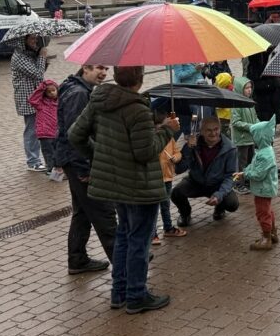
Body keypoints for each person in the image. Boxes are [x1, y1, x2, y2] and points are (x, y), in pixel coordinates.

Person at [68, 65, 179, 313]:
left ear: (117, 77)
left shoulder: (99, 100)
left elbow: (75, 135)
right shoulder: (137, 110)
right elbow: (145, 152)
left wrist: (98, 157)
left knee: (123, 237)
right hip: (140, 186)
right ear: (139, 79)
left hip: (116, 184)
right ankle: (137, 295)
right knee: (139, 242)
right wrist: (167, 132)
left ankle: (119, 293)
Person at [55, 64, 114, 274]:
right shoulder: (79, 94)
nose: (104, 73)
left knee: (82, 212)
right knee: (104, 213)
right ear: (85, 68)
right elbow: (75, 135)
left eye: (106, 69)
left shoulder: (77, 89)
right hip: (80, 163)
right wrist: (84, 170)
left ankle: (77, 259)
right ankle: (127, 270)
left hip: (73, 162)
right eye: (99, 68)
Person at [171, 116, 240, 226]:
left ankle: (219, 208)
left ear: (220, 128)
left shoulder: (230, 148)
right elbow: (179, 169)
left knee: (232, 204)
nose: (213, 133)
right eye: (208, 130)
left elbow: (232, 176)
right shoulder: (193, 144)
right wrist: (188, 147)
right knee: (175, 193)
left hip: (217, 184)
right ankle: (185, 213)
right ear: (201, 131)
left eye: (216, 129)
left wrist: (220, 194)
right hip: (195, 182)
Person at [239, 118, 280, 250]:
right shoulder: (265, 150)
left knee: (262, 212)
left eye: (255, 135)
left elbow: (258, 174)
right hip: (265, 188)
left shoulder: (264, 155)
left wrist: (246, 174)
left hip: (263, 189)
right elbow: (254, 165)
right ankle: (272, 232)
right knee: (268, 210)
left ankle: (266, 237)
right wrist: (245, 171)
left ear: (260, 136)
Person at [11, 34, 49, 172]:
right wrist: (42, 56)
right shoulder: (20, 57)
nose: (35, 41)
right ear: (23, 41)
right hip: (27, 98)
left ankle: (38, 159)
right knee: (32, 129)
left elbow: (40, 71)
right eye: (31, 39)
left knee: (38, 128)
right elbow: (38, 74)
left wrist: (41, 56)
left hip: (36, 96)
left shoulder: (28, 54)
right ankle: (33, 161)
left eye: (35, 38)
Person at [154, 112, 187, 244]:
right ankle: (152, 234)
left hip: (167, 177)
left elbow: (177, 152)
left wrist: (176, 158)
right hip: (155, 179)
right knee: (154, 208)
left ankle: (168, 227)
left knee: (165, 205)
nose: (158, 128)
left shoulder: (170, 139)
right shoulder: (153, 139)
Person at [230, 76, 258, 192]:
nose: (249, 90)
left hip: (250, 138)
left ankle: (247, 181)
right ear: (239, 89)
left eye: (250, 87)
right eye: (246, 88)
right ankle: (237, 183)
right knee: (240, 163)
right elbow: (236, 122)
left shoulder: (249, 102)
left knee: (250, 161)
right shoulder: (236, 104)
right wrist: (250, 126)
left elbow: (254, 117)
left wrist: (259, 124)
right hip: (241, 139)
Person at [28, 79, 61, 178]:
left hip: (56, 132)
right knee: (49, 153)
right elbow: (32, 99)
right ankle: (51, 170)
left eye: (53, 90)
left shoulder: (60, 102)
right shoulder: (41, 104)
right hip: (45, 133)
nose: (51, 93)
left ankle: (58, 171)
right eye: (49, 92)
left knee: (58, 152)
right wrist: (41, 87)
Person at [248, 48, 280, 124]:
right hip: (264, 104)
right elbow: (254, 84)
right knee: (266, 130)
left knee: (272, 129)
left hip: (276, 102)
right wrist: (272, 83)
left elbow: (279, 77)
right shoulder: (256, 60)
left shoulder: (275, 55)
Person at [214, 72, 234, 136]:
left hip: (222, 116)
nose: (215, 82)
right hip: (227, 115)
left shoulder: (221, 93)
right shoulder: (230, 89)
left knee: (223, 131)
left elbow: (218, 105)